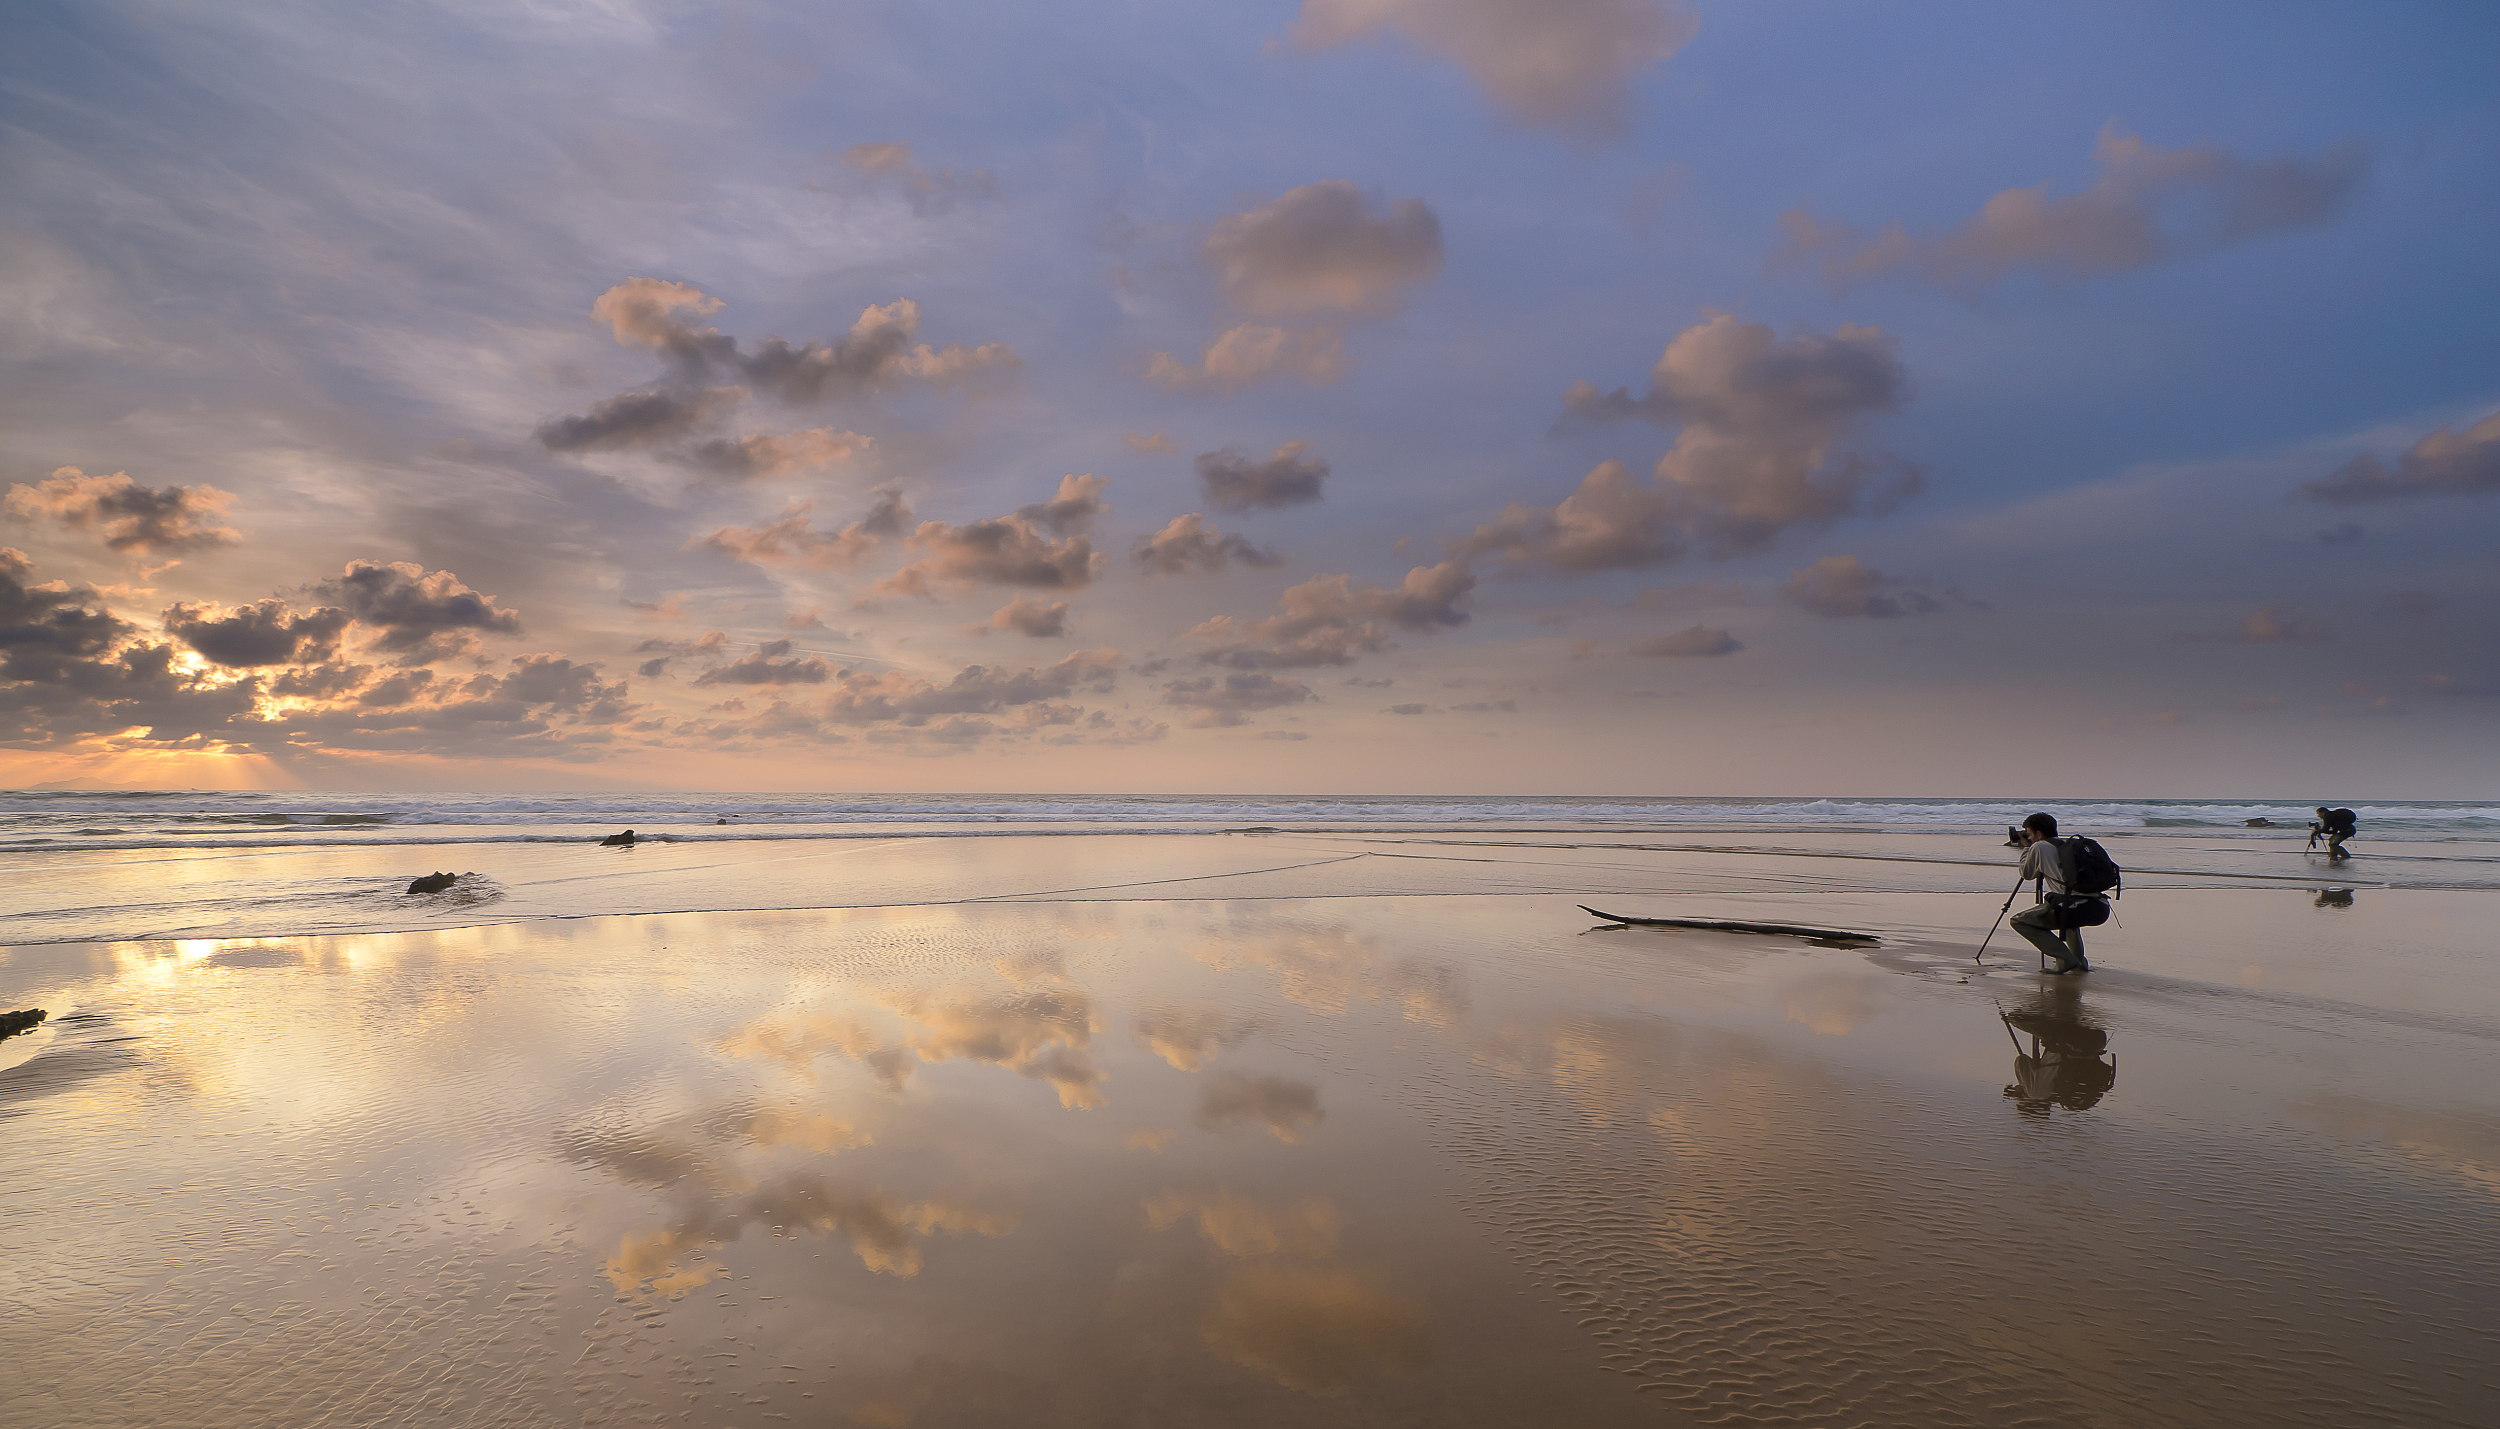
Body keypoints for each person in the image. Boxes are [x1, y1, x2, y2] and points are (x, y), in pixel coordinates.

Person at [2009, 812, 2089, 975]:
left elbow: (2027, 874)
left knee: (2019, 921)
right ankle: (2080, 961)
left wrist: (2026, 848)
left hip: (2073, 908)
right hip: (2096, 907)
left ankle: (2065, 958)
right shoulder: (2067, 844)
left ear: (2039, 834)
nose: (2029, 837)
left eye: (2029, 834)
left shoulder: (2039, 847)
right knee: (2067, 916)